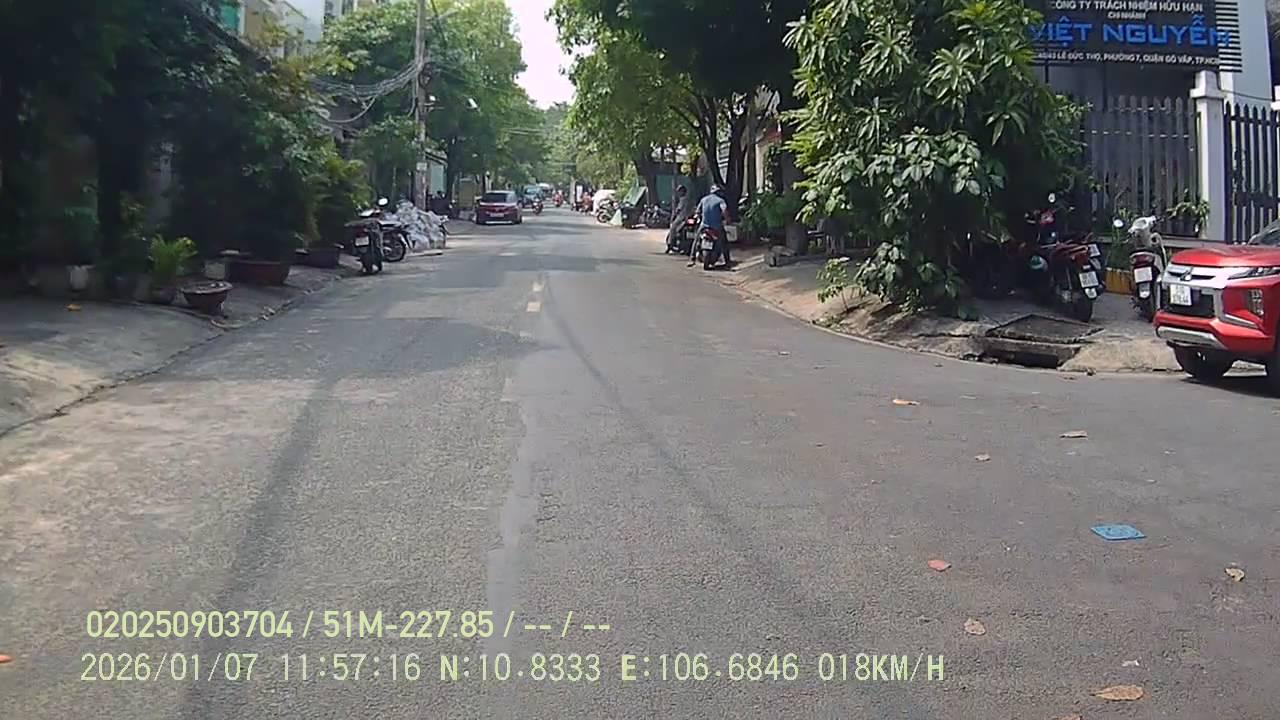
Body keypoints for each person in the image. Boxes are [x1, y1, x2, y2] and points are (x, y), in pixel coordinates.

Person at [690, 184, 731, 268]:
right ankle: (727, 261)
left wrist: (697, 217)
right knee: (724, 242)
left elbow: (697, 212)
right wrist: (728, 220)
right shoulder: (720, 200)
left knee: (696, 240)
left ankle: (692, 258)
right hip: (717, 226)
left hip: (704, 225)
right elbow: (724, 210)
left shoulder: (704, 199)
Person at [665, 185, 693, 254]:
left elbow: (678, 209)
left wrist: (674, 215)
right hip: (688, 218)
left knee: (672, 228)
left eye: (680, 191)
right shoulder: (689, 199)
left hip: (681, 218)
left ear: (683, 192)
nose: (679, 193)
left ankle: (670, 245)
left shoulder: (683, 199)